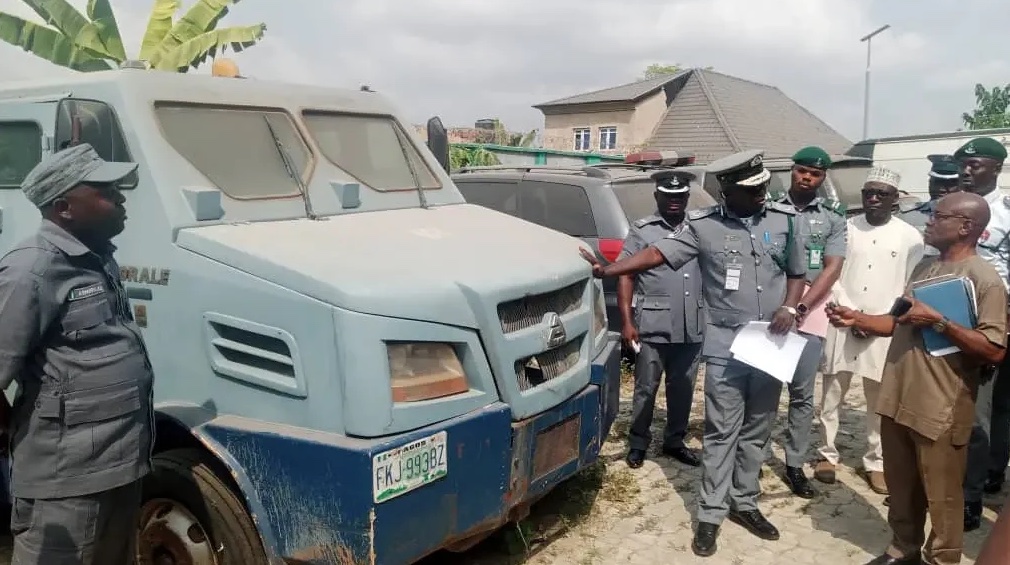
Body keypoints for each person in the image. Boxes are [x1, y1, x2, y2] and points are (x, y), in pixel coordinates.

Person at [580, 149, 806, 558]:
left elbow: (796, 273)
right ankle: (711, 515)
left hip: (771, 346)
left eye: (762, 187)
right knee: (722, 432)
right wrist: (607, 270)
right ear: (726, 191)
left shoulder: (784, 221)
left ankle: (745, 503)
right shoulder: (703, 227)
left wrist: (790, 307)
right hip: (725, 347)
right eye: (750, 190)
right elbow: (655, 255)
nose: (762, 194)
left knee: (758, 429)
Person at [827, 191, 1008, 565]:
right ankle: (902, 549)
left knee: (942, 495)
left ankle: (941, 558)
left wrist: (939, 322)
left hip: (941, 405)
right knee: (902, 485)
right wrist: (856, 318)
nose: (928, 221)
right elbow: (895, 322)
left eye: (938, 216)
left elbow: (994, 350)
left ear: (965, 227)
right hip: (899, 393)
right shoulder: (925, 267)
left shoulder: (984, 279)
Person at [0, 143, 155, 564]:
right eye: (106, 190)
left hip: (118, 466)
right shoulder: (32, 269)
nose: (121, 198)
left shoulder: (96, 258)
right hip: (66, 481)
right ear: (65, 206)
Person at [815, 166, 924, 495]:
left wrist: (877, 320)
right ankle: (827, 455)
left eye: (882, 194)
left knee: (879, 399)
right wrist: (852, 313)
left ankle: (876, 462)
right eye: (868, 193)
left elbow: (908, 286)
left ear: (895, 199)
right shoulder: (844, 229)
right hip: (842, 319)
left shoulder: (910, 237)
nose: (873, 199)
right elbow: (832, 274)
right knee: (832, 392)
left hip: (883, 327)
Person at [767, 145, 847, 498]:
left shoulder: (832, 218)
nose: (806, 177)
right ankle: (752, 457)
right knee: (764, 391)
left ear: (823, 178)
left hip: (809, 313)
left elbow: (832, 267)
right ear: (792, 171)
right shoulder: (768, 211)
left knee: (801, 395)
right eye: (801, 171)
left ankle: (794, 464)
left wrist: (799, 307)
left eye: (814, 174)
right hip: (769, 307)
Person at [618, 169, 703, 469]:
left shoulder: (699, 228)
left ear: (687, 197)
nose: (675, 202)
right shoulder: (643, 230)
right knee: (645, 388)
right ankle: (638, 442)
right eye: (668, 196)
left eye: (680, 196)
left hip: (692, 324)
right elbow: (626, 274)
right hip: (653, 325)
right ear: (657, 196)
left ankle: (674, 441)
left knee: (683, 387)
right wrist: (627, 321)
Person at [955, 136, 1010, 531]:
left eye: (976, 164)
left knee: (983, 414)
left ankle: (973, 494)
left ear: (996, 168)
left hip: (994, 321)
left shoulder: (1007, 211)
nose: (967, 170)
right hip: (952, 316)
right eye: (965, 164)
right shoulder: (954, 206)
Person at [897, 154, 961, 256]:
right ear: (929, 183)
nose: (942, 189)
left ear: (960, 186)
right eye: (937, 182)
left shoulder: (967, 220)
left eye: (950, 184)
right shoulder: (907, 216)